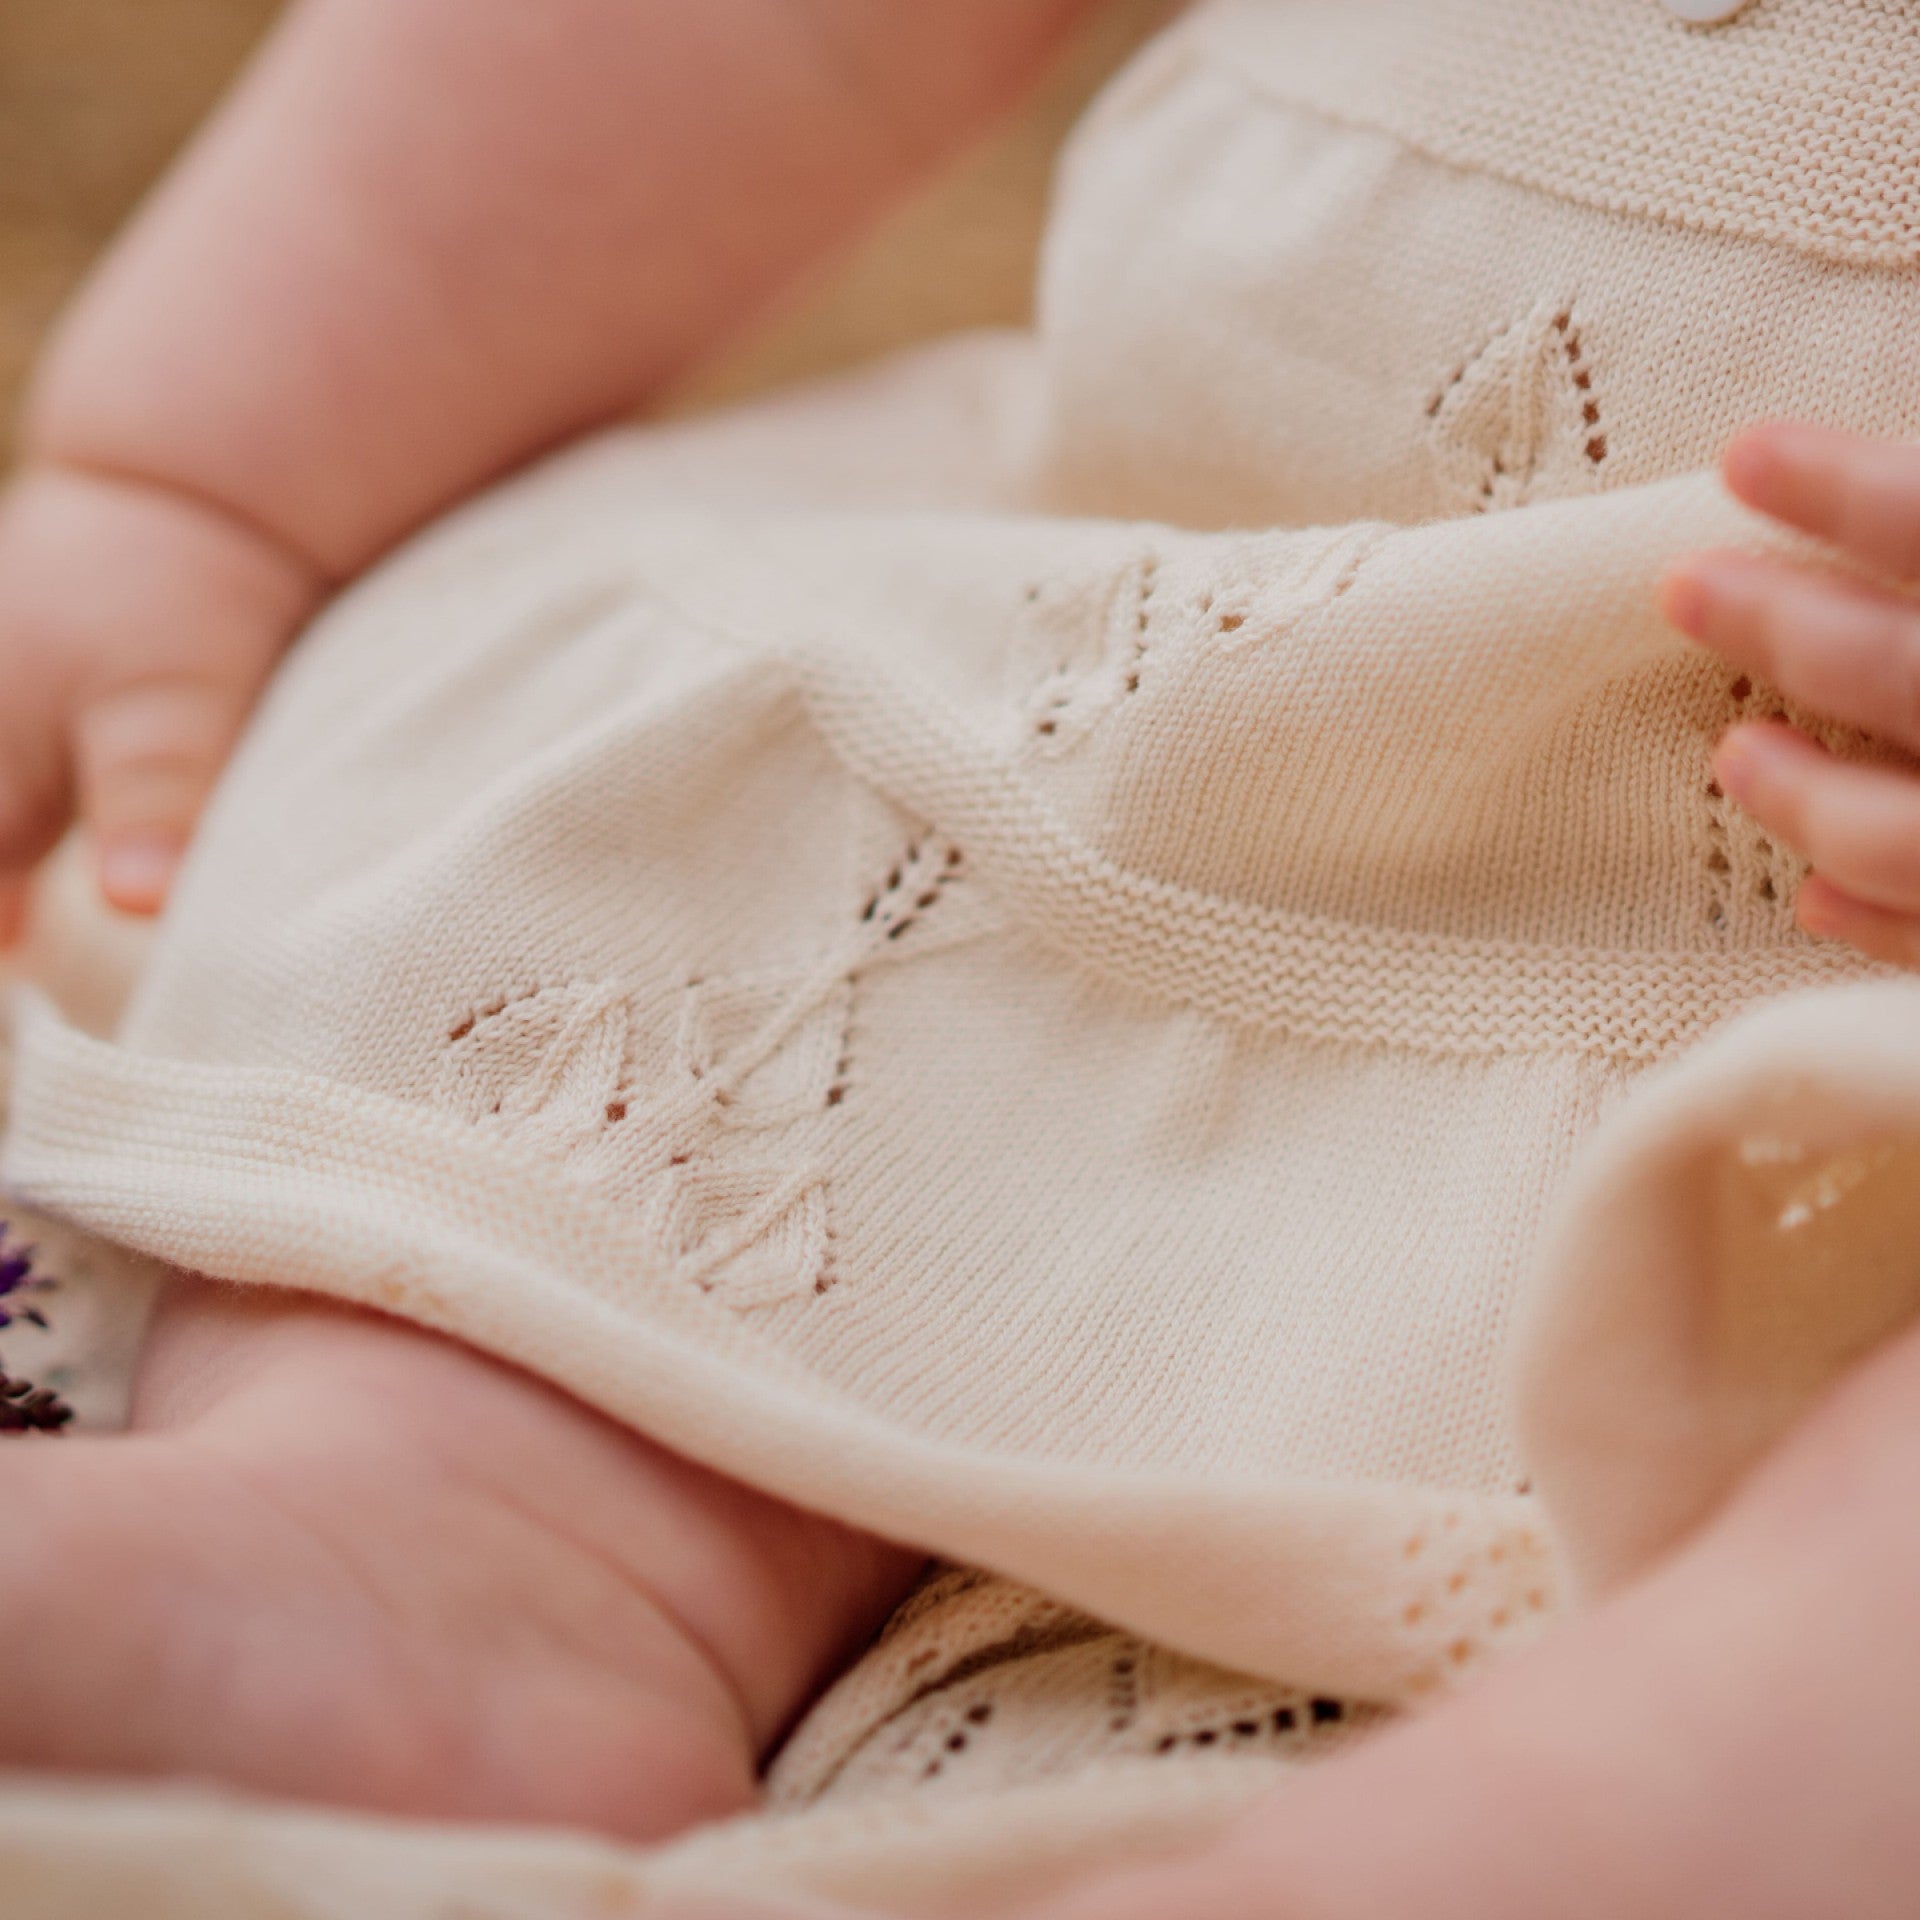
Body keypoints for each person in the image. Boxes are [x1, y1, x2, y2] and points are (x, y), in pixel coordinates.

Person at [4, 0, 1920, 1907]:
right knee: (699, 948)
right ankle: (441, 1549)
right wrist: (197, 476)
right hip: (1199, 665)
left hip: (1848, 1051)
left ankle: (1568, 1828)